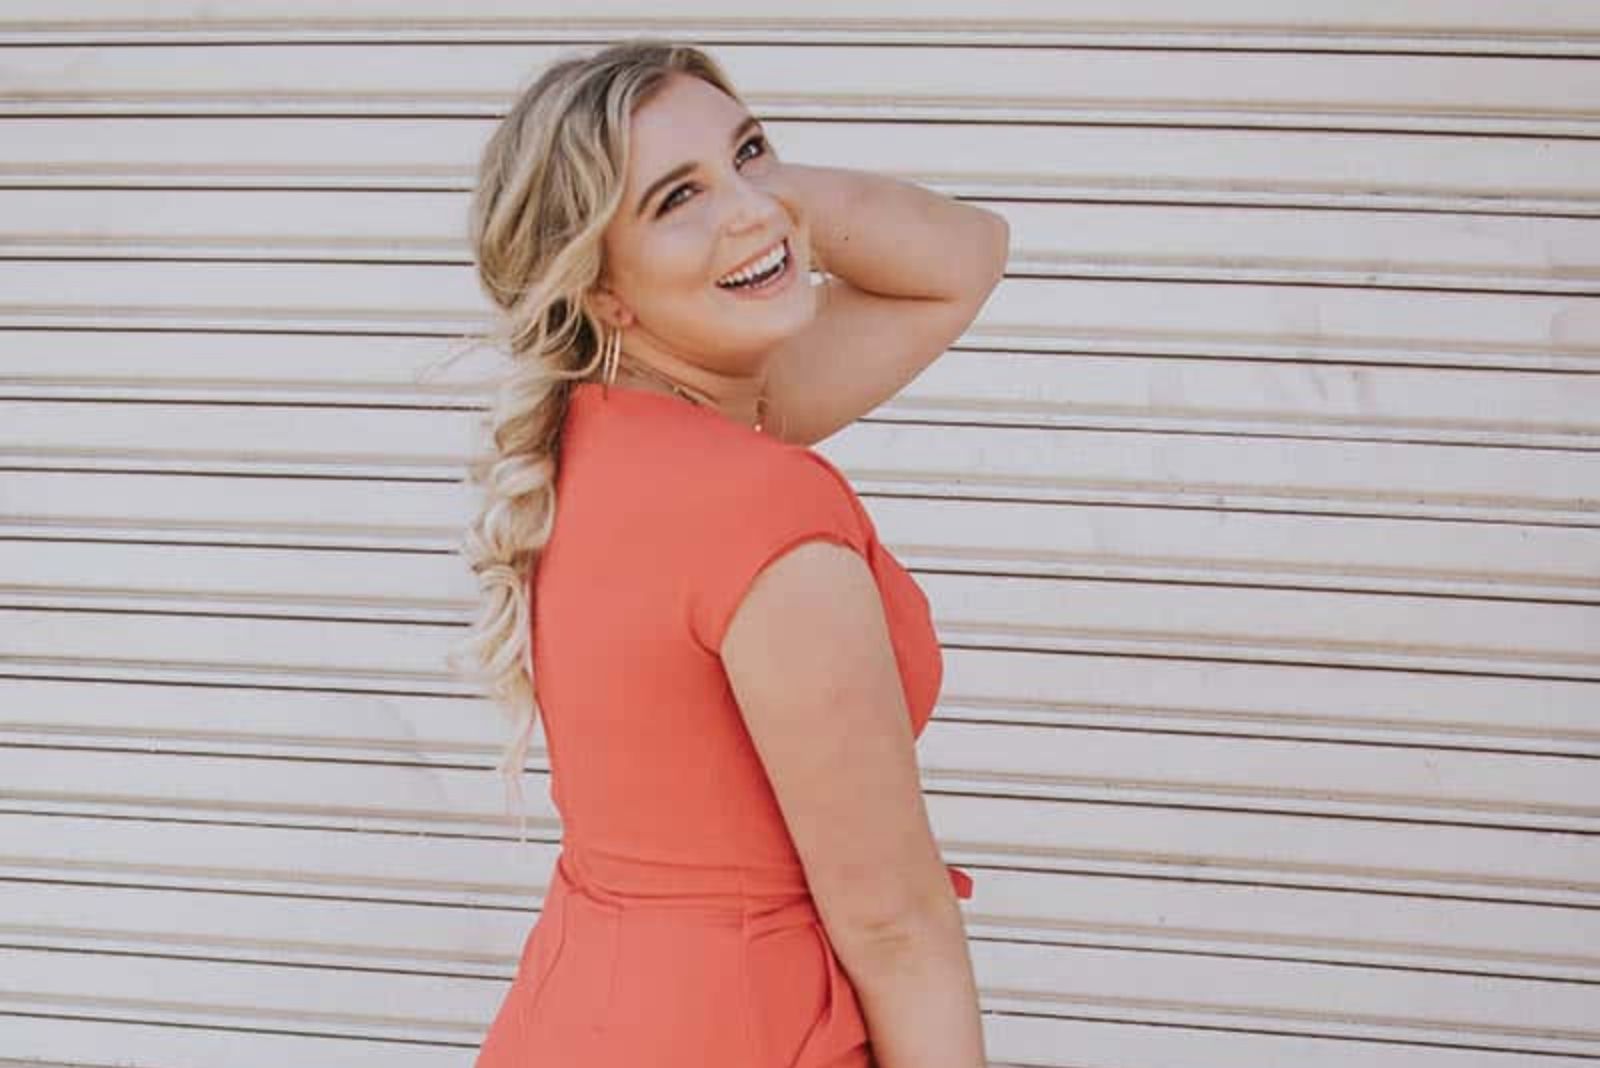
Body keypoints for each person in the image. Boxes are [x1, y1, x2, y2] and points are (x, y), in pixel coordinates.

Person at [453, 38, 1009, 1068]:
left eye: (751, 150)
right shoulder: (763, 504)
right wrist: (745, 194)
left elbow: (963, 256)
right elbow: (895, 928)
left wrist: (747, 198)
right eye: (673, 200)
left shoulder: (597, 438)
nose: (748, 209)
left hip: (579, 1018)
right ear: (604, 292)